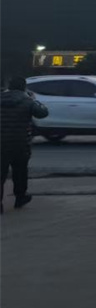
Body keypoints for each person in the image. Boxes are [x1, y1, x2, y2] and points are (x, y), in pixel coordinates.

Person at [1, 77, 48, 212]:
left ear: (9, 87)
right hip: (20, 142)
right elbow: (43, 113)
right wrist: (33, 99)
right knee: (20, 172)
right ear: (23, 87)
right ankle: (20, 197)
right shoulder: (27, 101)